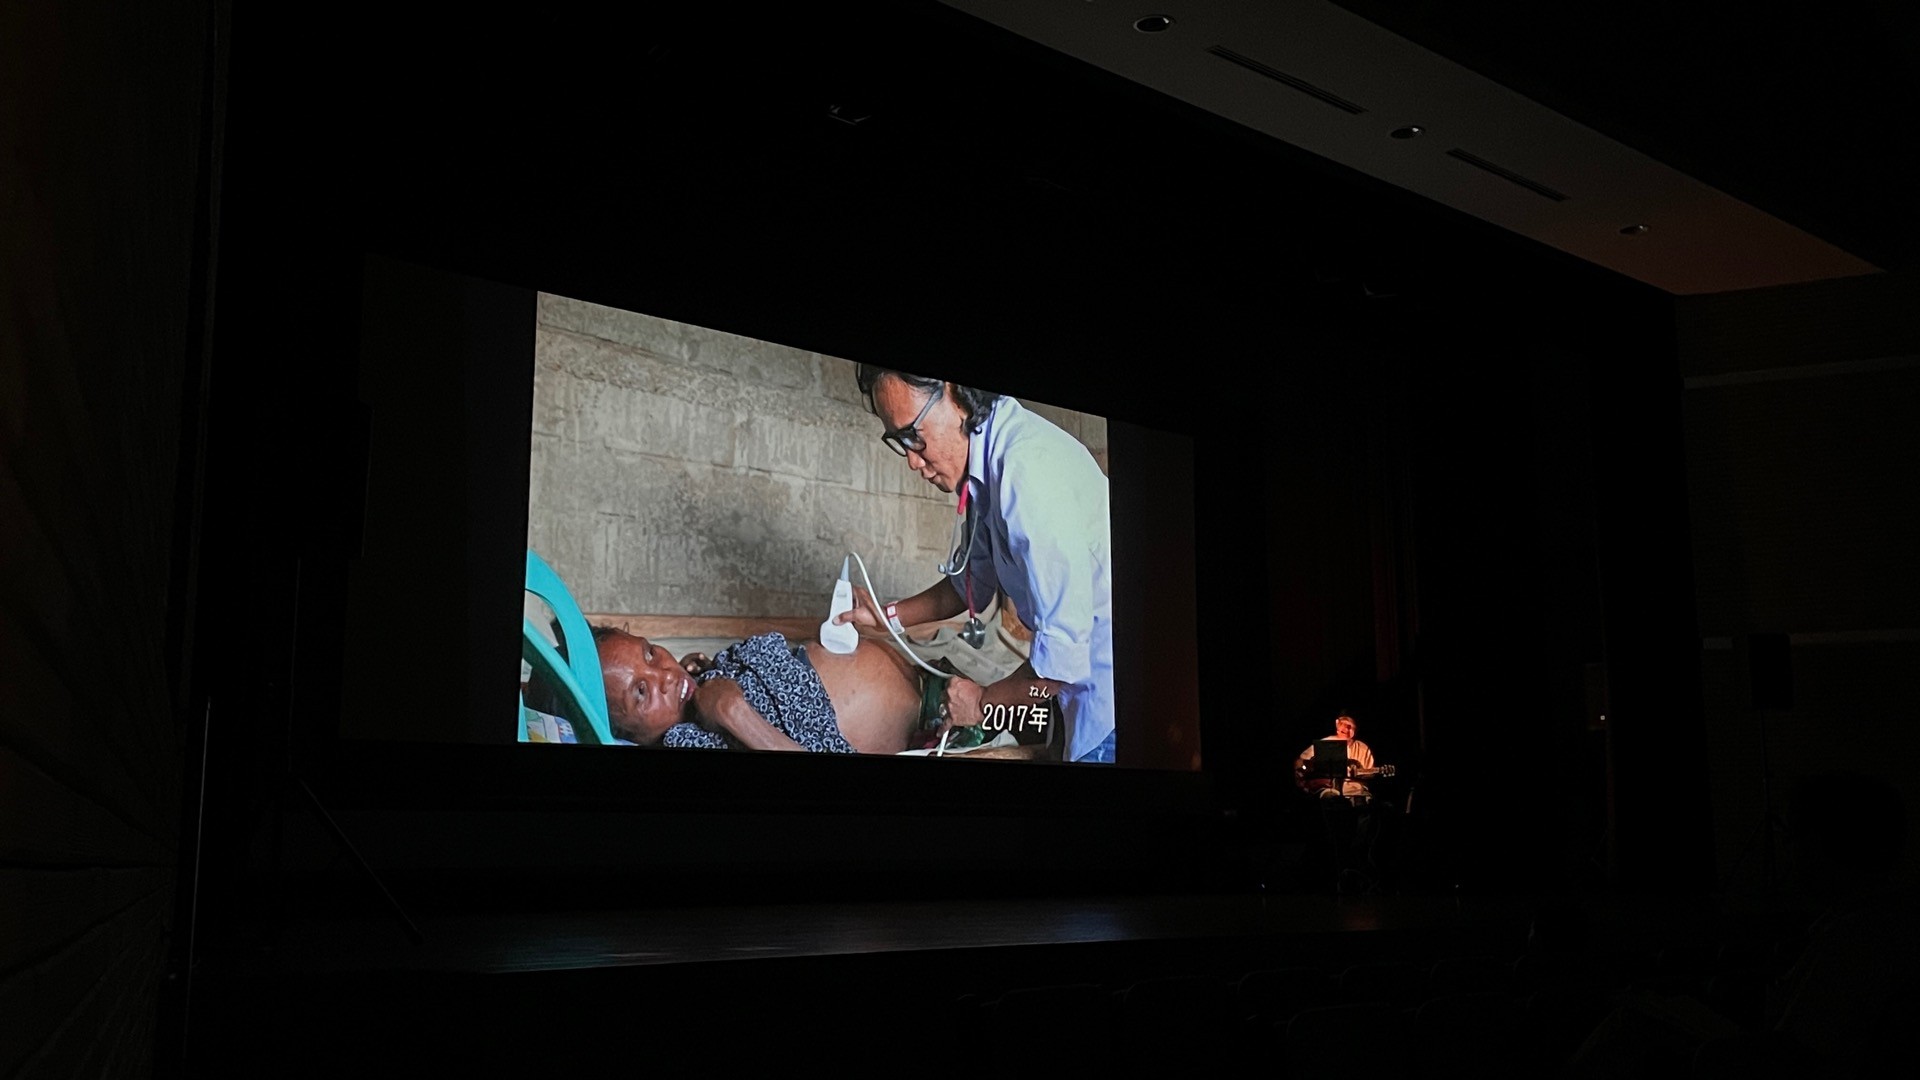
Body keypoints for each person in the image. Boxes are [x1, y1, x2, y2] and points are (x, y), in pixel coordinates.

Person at [836, 366, 1115, 763]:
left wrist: (983, 702)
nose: (913, 462)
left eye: (914, 435)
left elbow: (1060, 666)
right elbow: (967, 584)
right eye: (899, 442)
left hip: (1110, 701)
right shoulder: (985, 472)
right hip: (1075, 691)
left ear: (956, 394)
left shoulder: (1026, 471)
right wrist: (885, 618)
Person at [591, 624, 1044, 757]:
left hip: (935, 678)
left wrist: (709, 673)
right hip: (945, 728)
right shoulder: (687, 741)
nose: (666, 676)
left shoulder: (698, 687)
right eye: (642, 694)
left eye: (651, 654)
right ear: (630, 734)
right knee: (1062, 729)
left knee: (1053, 693)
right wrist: (732, 711)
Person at [1293, 714, 1377, 798]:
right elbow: (1300, 761)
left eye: (1350, 726)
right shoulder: (1325, 743)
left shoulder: (1363, 748)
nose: (1346, 729)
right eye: (1343, 724)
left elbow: (1370, 773)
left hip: (1355, 791)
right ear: (1337, 724)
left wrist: (1357, 773)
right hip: (1328, 789)